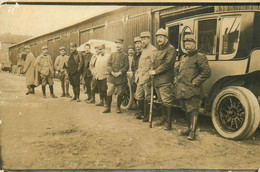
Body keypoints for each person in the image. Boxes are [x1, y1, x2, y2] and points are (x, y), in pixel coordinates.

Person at [175, 34, 211, 140]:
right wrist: (177, 80)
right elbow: (178, 71)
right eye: (186, 44)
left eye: (190, 44)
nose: (187, 46)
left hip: (193, 89)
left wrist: (195, 82)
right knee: (185, 109)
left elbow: (206, 72)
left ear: (195, 44)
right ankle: (188, 128)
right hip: (182, 89)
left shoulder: (200, 57)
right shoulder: (183, 57)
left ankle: (193, 132)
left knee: (193, 109)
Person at [149, 28, 177, 130]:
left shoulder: (171, 49)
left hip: (165, 81)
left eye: (161, 37)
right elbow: (155, 63)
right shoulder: (158, 50)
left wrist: (155, 71)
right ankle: (163, 119)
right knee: (161, 101)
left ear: (166, 38)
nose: (159, 39)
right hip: (157, 80)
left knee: (167, 101)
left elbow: (167, 64)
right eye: (157, 37)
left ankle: (169, 124)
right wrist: (152, 69)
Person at [135, 31, 157, 121]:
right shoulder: (143, 50)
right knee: (139, 95)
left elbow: (154, 64)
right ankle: (141, 113)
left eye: (144, 39)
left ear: (149, 39)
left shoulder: (153, 50)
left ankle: (147, 115)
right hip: (140, 77)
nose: (142, 41)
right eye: (142, 39)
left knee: (147, 96)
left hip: (147, 77)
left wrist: (150, 76)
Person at [103, 39, 129, 113]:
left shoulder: (125, 56)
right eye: (116, 44)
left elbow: (126, 67)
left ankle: (118, 108)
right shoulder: (112, 54)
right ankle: (108, 108)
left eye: (119, 44)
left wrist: (120, 73)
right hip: (112, 77)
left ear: (122, 46)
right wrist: (112, 72)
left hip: (120, 78)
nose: (118, 46)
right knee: (109, 91)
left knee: (120, 92)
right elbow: (108, 64)